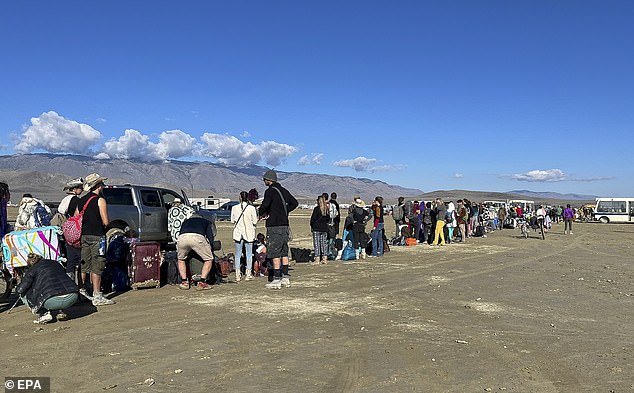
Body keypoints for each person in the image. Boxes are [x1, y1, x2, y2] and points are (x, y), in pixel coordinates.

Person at [258, 169, 298, 289]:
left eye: (264, 180)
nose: (264, 181)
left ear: (269, 180)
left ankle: (276, 279)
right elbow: (294, 203)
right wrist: (284, 212)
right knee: (284, 251)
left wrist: (262, 213)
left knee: (275, 252)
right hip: (285, 225)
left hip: (274, 225)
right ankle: (285, 277)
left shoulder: (270, 191)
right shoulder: (284, 191)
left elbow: (265, 205)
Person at [79, 173, 115, 306]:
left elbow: (77, 217)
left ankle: (81, 291)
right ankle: (97, 295)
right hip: (97, 236)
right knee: (97, 265)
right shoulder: (100, 200)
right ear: (98, 186)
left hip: (83, 236)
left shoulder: (82, 200)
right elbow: (105, 221)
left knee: (84, 265)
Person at [16, 253, 78, 324]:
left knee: (24, 292)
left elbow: (20, 289)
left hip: (52, 299)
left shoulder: (33, 269)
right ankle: (60, 311)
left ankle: (44, 313)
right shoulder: (56, 263)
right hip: (72, 295)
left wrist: (16, 288)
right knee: (58, 285)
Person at [177, 213, 216, 290]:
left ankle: (184, 282)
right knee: (208, 259)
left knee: (181, 259)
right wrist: (210, 246)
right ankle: (202, 282)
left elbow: (180, 232)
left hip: (182, 238)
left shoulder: (185, 221)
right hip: (197, 237)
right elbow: (210, 236)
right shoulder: (206, 222)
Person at [58, 178, 84, 283]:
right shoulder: (76, 200)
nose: (82, 190)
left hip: (66, 230)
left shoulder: (65, 200)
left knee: (70, 258)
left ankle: (69, 282)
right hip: (75, 231)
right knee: (78, 258)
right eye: (80, 188)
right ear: (75, 189)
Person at [231, 191, 258, 281]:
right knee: (249, 254)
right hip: (249, 233)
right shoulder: (251, 208)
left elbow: (232, 220)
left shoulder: (234, 208)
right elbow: (255, 221)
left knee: (238, 254)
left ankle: (237, 275)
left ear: (240, 197)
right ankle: (248, 274)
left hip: (238, 233)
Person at [310, 195, 330, 264]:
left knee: (317, 243)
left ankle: (317, 259)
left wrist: (312, 225)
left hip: (317, 228)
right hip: (324, 228)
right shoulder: (326, 210)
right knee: (324, 243)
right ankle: (325, 258)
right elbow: (328, 219)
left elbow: (313, 219)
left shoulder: (316, 209)